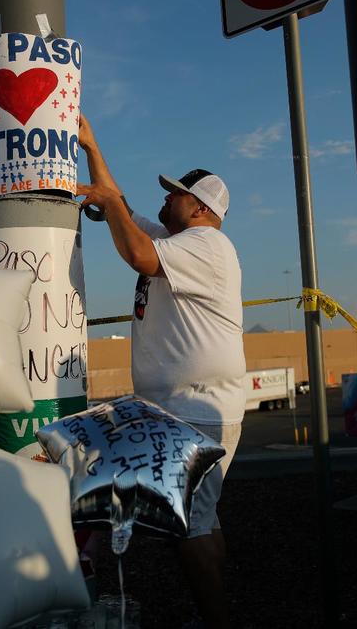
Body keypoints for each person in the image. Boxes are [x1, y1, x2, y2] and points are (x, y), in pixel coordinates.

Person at [76, 115, 245, 629]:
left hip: (195, 407)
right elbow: (121, 207)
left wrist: (109, 208)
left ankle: (216, 620)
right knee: (201, 520)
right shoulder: (181, 243)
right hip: (185, 407)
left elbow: (137, 253)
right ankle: (216, 608)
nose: (166, 199)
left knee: (187, 529)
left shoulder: (205, 245)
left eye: (175, 194)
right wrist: (91, 145)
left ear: (200, 208)